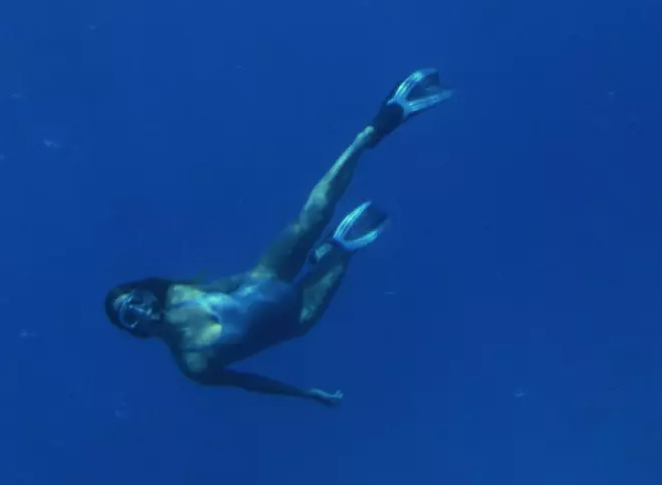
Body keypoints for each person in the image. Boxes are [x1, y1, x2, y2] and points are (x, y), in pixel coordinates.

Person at [104, 69, 450, 402]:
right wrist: (309, 394)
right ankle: (332, 249)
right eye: (129, 315)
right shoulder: (194, 365)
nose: (138, 309)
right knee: (343, 253)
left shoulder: (180, 293)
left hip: (267, 275)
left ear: (145, 293)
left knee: (312, 214)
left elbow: (230, 284)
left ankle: (375, 129)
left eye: (134, 299)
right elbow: (249, 383)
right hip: (297, 317)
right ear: (135, 331)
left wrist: (265, 275)